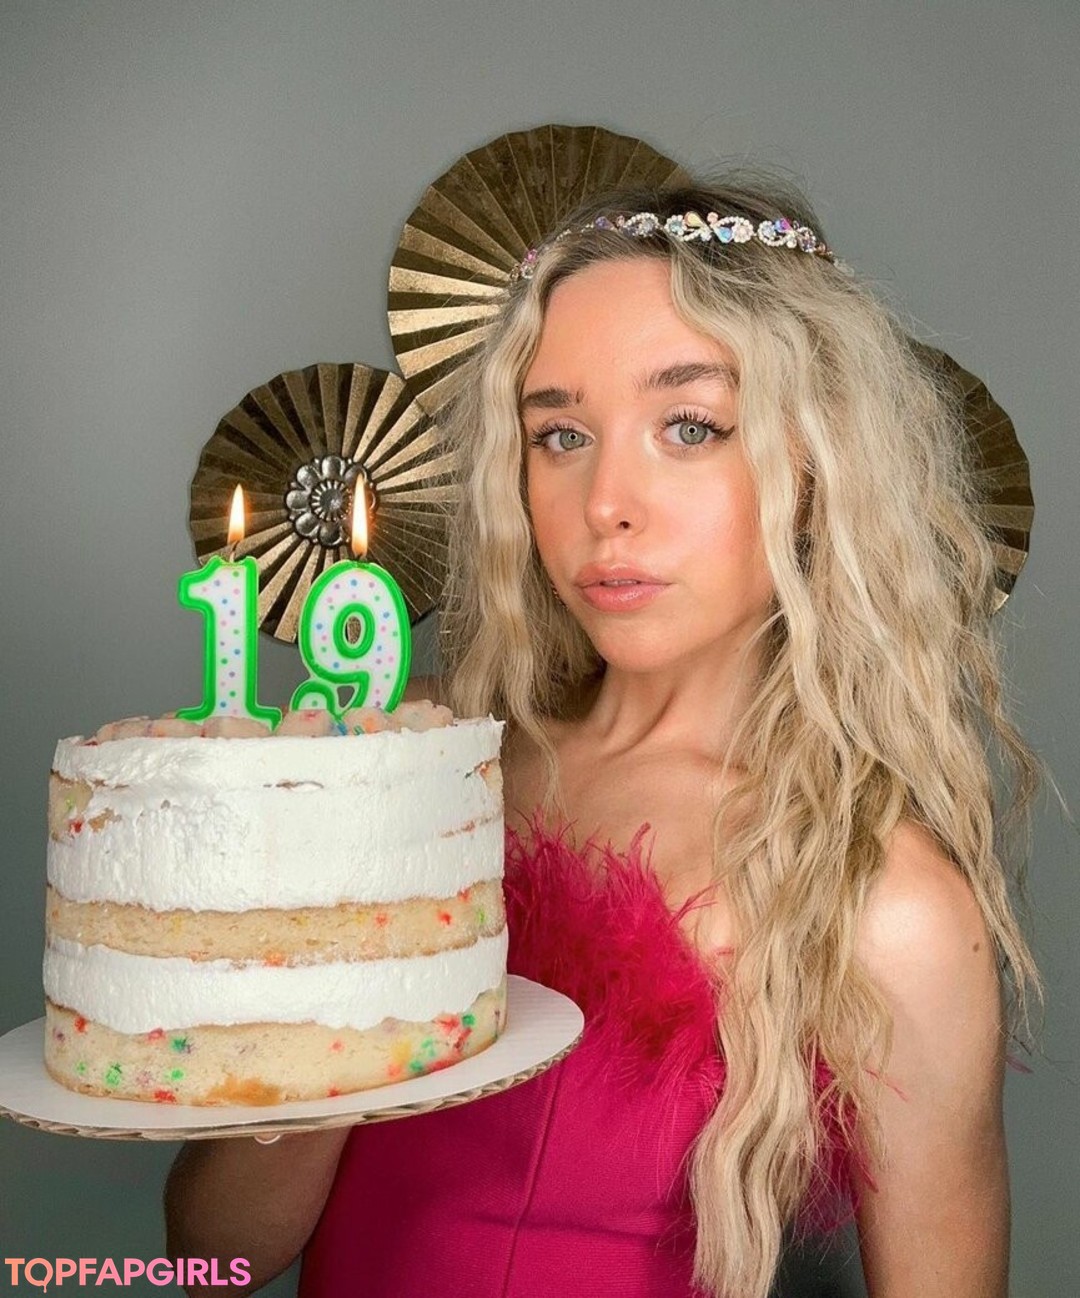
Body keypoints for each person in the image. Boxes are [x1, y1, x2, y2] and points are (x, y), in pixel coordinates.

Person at [165, 174, 1040, 1298]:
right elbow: (214, 1257)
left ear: (816, 466)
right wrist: (347, 965)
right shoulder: (423, 766)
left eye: (691, 426)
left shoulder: (885, 901)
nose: (605, 502)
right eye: (562, 434)